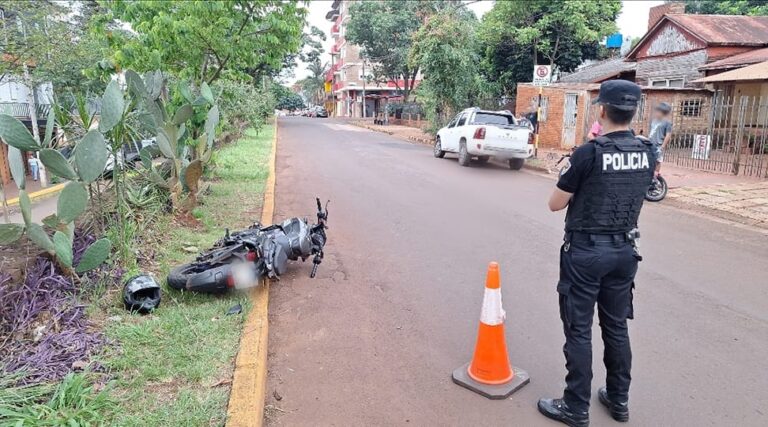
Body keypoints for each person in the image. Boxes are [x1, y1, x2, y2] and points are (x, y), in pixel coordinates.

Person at [539, 80, 655, 427]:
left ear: (601, 110)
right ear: (633, 111)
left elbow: (554, 204)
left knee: (578, 329)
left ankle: (576, 406)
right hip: (624, 252)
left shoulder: (589, 153)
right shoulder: (647, 151)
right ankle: (619, 400)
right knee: (616, 327)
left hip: (587, 253)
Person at [648, 102, 672, 176]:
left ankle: (655, 177)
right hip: (650, 143)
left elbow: (668, 135)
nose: (657, 112)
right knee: (649, 160)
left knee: (658, 161)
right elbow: (651, 132)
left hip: (658, 145)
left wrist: (663, 146)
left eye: (659, 111)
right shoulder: (654, 121)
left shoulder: (667, 122)